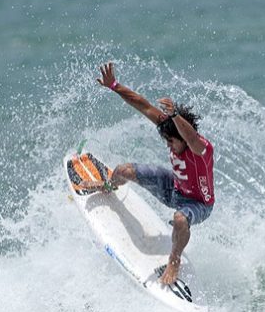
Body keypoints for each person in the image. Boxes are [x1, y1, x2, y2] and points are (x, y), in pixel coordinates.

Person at [81, 62, 215, 286]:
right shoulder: (169, 127)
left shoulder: (201, 149)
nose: (170, 146)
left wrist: (175, 115)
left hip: (199, 204)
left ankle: (174, 261)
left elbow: (190, 138)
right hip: (173, 188)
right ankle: (106, 186)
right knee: (123, 170)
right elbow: (142, 105)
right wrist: (114, 85)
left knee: (180, 219)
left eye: (173, 142)